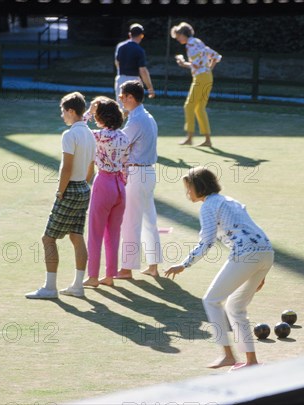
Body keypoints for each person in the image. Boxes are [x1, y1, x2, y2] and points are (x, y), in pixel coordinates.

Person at [164, 166, 274, 371]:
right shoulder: (230, 201)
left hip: (246, 255)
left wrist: (184, 264)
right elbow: (253, 230)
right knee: (235, 307)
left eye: (189, 188)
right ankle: (250, 362)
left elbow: (206, 242)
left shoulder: (208, 207)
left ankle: (228, 355)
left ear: (199, 187)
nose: (187, 193)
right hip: (266, 253)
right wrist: (262, 270)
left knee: (211, 300)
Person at [26, 92, 96, 299]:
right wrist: (83, 183)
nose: (62, 115)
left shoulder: (70, 135)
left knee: (48, 239)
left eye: (63, 111)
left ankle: (49, 288)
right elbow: (91, 167)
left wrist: (60, 191)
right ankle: (77, 286)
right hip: (84, 188)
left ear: (71, 111)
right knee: (76, 236)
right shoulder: (90, 134)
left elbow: (66, 167)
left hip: (71, 189)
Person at [117, 80, 163, 279]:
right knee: (148, 219)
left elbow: (119, 143)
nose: (120, 100)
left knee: (130, 221)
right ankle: (153, 266)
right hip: (147, 173)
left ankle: (127, 269)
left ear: (130, 97)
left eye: (122, 96)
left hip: (137, 173)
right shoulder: (147, 117)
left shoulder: (136, 120)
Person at [82, 96, 130, 288]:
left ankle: (93, 275)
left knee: (95, 232)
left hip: (104, 182)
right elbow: (126, 164)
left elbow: (78, 129)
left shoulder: (100, 135)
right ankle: (110, 274)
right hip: (120, 186)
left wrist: (88, 112)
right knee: (113, 233)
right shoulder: (124, 137)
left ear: (102, 117)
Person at [171, 22, 222, 147]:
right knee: (199, 108)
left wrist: (183, 63)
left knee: (189, 106)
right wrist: (209, 68)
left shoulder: (190, 44)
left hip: (200, 78)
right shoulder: (198, 42)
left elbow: (196, 64)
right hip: (207, 77)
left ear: (183, 34)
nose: (177, 39)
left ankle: (189, 138)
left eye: (178, 36)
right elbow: (215, 56)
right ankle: (207, 140)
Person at [114, 23, 155, 103]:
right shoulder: (139, 50)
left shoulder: (120, 46)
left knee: (121, 109)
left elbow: (117, 62)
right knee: (134, 109)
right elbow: (142, 70)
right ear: (142, 36)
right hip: (134, 81)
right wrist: (150, 88)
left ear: (130, 34)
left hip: (120, 79)